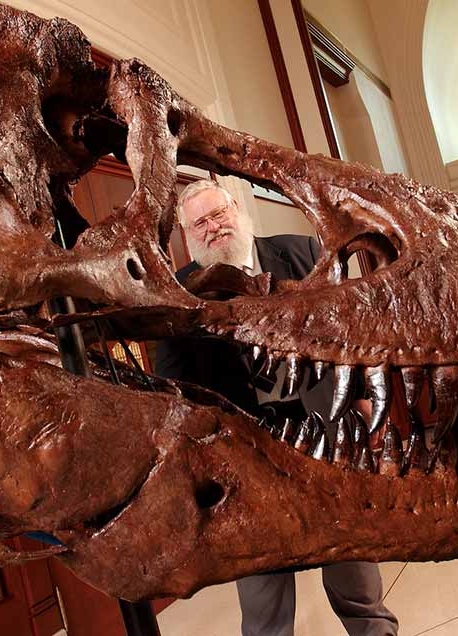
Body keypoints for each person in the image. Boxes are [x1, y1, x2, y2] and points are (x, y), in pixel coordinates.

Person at [155, 180, 398, 636]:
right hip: (246, 460)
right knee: (264, 603)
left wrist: (366, 401)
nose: (214, 227)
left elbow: (351, 332)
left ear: (237, 209)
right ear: (188, 236)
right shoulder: (178, 292)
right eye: (200, 223)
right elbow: (171, 385)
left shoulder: (302, 254)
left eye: (218, 213)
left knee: (358, 582)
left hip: (327, 440)